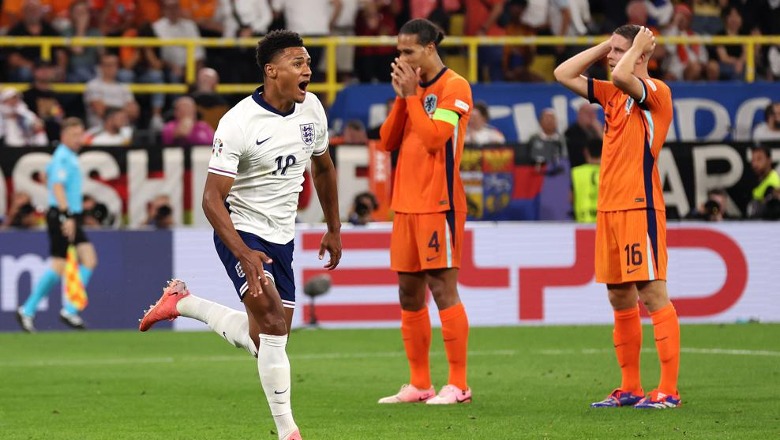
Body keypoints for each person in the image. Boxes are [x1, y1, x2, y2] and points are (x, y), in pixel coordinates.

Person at [138, 30, 342, 440]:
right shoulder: (238, 123)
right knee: (273, 326)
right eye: (298, 63)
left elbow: (322, 168)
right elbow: (211, 199)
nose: (308, 70)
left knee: (266, 340)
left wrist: (333, 228)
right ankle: (288, 432)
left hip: (282, 236)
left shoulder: (312, 109)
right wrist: (244, 253)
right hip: (242, 230)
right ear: (272, 71)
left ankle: (183, 302)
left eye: (307, 62)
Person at [555, 25, 681, 409]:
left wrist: (636, 48)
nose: (610, 57)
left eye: (618, 50)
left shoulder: (655, 92)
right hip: (609, 208)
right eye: (611, 51)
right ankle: (630, 388)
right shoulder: (612, 95)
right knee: (618, 295)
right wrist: (606, 46)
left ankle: (668, 390)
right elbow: (563, 73)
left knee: (652, 293)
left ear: (640, 53)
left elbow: (625, 75)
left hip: (639, 204)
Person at [377, 18, 473, 405]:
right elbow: (387, 140)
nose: (402, 58)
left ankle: (459, 384)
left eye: (409, 51)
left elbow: (435, 139)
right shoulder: (411, 90)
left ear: (430, 48)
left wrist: (412, 96)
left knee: (442, 288)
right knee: (409, 293)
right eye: (398, 51)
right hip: (405, 205)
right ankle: (420, 384)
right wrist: (404, 98)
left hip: (439, 203)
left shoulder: (455, 86)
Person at [17, 118, 98, 332]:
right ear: (63, 136)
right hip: (63, 215)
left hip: (68, 215)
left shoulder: (65, 156)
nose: (78, 139)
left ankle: (69, 309)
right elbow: (57, 186)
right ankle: (29, 309)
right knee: (59, 265)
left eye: (80, 134)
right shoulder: (63, 156)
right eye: (74, 135)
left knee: (88, 259)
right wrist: (66, 214)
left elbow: (47, 177)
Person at [570, 138, 601, 223]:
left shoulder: (576, 172)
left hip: (583, 221)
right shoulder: (612, 173)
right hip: (605, 222)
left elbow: (571, 198)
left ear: (586, 152)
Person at [746, 144, 780, 219]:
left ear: (769, 160)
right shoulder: (759, 179)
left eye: (759, 159)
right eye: (753, 160)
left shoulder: (773, 183)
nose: (755, 164)